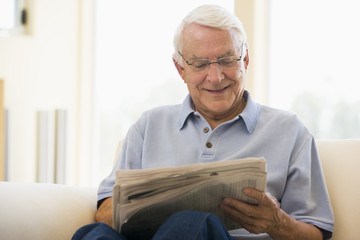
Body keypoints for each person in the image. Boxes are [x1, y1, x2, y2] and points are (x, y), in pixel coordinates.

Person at [75, 4, 334, 240]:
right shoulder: (149, 125)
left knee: (193, 224)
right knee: (94, 234)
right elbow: (105, 213)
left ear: (244, 59)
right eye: (199, 64)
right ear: (180, 69)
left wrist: (278, 223)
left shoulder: (290, 131)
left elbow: (316, 233)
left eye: (226, 60)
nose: (215, 76)